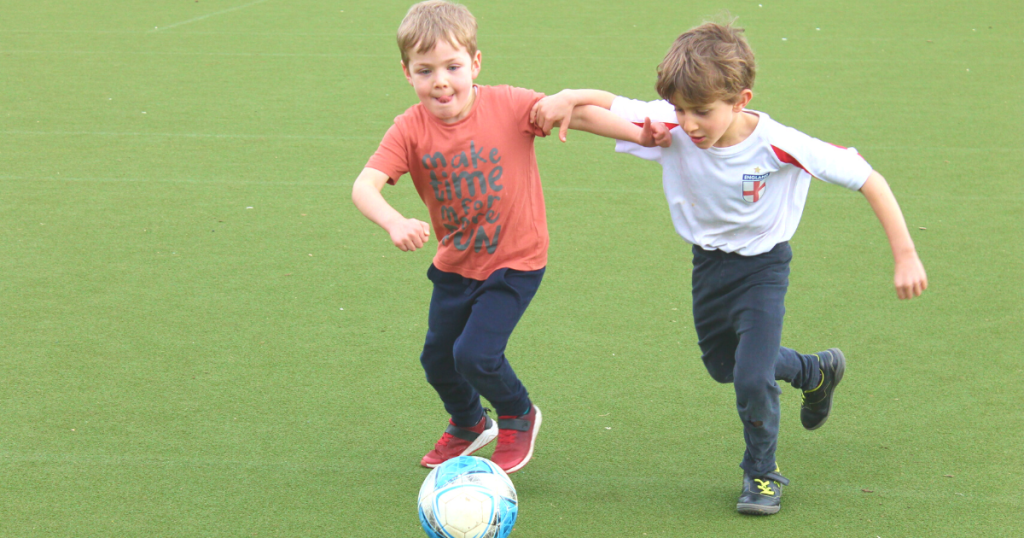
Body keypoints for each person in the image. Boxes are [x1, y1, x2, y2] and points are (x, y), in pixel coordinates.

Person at [530, 21, 927, 512]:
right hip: (709, 267)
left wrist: (905, 253)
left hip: (764, 270)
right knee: (725, 368)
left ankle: (762, 475)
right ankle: (815, 372)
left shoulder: (779, 144)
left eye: (701, 111)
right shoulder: (671, 125)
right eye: (679, 109)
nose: (689, 123)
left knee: (750, 376)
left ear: (741, 100)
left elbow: (868, 178)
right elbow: (601, 110)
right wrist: (563, 99)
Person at [352, 0, 664, 474]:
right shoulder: (408, 129)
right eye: (425, 70)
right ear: (406, 73)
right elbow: (364, 185)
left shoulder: (510, 104)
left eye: (453, 66)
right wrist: (394, 221)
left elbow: (575, 116)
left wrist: (640, 134)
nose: (441, 81)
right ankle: (469, 423)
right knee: (438, 360)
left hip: (516, 259)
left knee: (475, 354)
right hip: (456, 265)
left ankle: (518, 413)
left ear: (475, 64)